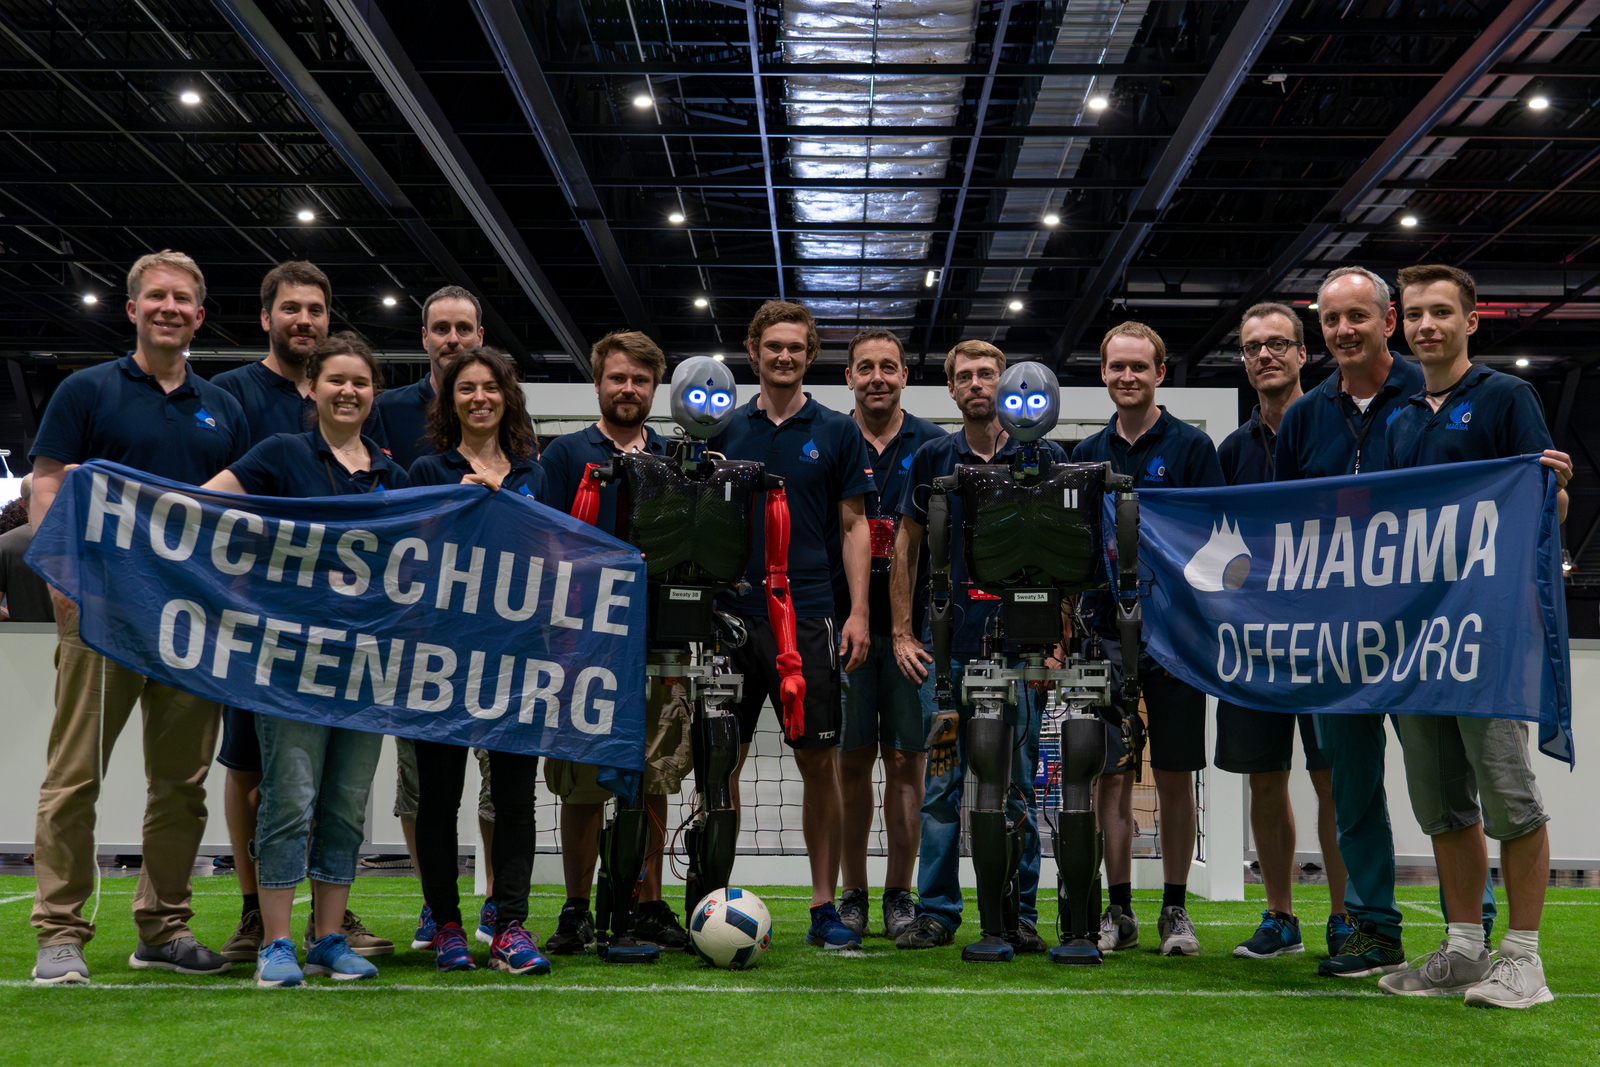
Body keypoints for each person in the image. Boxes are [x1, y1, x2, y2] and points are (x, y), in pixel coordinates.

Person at [28, 249, 248, 985]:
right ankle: (60, 931)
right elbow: (48, 483)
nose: (170, 308)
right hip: (101, 613)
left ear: (199, 315)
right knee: (74, 776)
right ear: (132, 309)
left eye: (183, 299)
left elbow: (240, 513)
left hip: (189, 620)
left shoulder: (222, 407)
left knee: (181, 784)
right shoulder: (86, 391)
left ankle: (163, 925)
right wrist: (63, 578)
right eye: (157, 297)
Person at [1272, 264, 1487, 979]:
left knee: (1446, 781)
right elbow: (1284, 523)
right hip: (1339, 636)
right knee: (1352, 783)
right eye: (1330, 320)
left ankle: (1472, 929)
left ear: (1387, 321)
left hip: (1425, 629)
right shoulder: (1304, 416)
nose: (1342, 331)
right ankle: (1371, 927)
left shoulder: (1426, 394)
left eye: (1357, 317)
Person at [1376, 264, 1572, 1008]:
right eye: (1416, 314)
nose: (1426, 326)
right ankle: (1464, 948)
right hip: (1419, 643)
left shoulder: (1505, 396)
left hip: (1486, 637)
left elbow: (1544, 497)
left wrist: (1554, 486)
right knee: (1442, 802)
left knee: (1509, 797)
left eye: (1440, 313)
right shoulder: (1399, 416)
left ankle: (1524, 959)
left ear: (1470, 319)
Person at [200, 332, 404, 988]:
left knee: (345, 804)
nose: (349, 391)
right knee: (289, 797)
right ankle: (277, 944)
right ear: (310, 387)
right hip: (287, 665)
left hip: (365, 666)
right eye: (336, 379)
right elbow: (205, 502)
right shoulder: (280, 454)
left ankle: (329, 940)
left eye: (361, 382)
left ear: (373, 394)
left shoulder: (389, 474)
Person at [889, 340, 1064, 953]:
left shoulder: (1044, 456)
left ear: (1006, 381)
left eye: (987, 374)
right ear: (951, 390)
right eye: (964, 376)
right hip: (945, 655)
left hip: (1018, 655)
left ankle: (1018, 912)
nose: (977, 384)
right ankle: (937, 911)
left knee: (1016, 784)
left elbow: (1064, 556)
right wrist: (902, 632)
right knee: (940, 788)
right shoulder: (932, 458)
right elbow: (904, 548)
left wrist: (1056, 640)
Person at [711, 300, 874, 950]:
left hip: (807, 621)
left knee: (820, 764)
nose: (783, 356)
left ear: (810, 356)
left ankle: (823, 904)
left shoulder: (836, 430)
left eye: (795, 348)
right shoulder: (721, 428)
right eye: (772, 346)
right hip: (729, 621)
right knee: (720, 763)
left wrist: (859, 611)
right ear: (753, 352)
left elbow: (856, 525)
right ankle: (712, 896)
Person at [536, 331, 693, 955]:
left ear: (655, 390)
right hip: (583, 649)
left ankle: (647, 901)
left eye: (641, 381)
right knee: (582, 785)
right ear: (598, 383)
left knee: (653, 777)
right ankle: (577, 907)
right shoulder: (564, 455)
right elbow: (546, 546)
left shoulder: (680, 457)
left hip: (660, 645)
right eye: (618, 378)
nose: (629, 389)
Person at [1071, 321, 1224, 958]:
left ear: (1160, 372)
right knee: (1108, 776)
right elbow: (1076, 555)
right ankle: (1120, 910)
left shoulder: (1191, 448)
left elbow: (1217, 542)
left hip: (1176, 640)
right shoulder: (1085, 452)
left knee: (1174, 774)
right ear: (1103, 374)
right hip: (1102, 637)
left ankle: (1175, 910)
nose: (1127, 377)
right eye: (1116, 367)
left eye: (1139, 366)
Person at [404, 345, 555, 976]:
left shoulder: (531, 473)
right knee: (439, 798)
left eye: (489, 387)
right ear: (451, 400)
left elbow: (548, 552)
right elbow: (408, 558)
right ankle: (445, 926)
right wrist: (455, 510)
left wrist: (506, 505)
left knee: (515, 799)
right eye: (466, 389)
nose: (479, 398)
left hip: (516, 658)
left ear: (506, 396)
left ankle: (510, 924)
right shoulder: (426, 470)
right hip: (442, 656)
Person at [1214, 303, 1349, 960]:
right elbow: (1217, 548)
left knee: (1335, 777)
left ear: (1303, 354)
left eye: (1277, 345)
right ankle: (1280, 916)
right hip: (1255, 644)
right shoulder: (1231, 452)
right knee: (1264, 778)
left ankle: (1348, 917)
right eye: (1252, 347)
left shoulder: (1339, 434)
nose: (1264, 355)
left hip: (1328, 640)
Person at [375, 284, 485, 913]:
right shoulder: (387, 410)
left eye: (463, 328)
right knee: (421, 781)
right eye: (440, 328)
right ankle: (432, 904)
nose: (451, 339)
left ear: (479, 337)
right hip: (417, 628)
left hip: (495, 626)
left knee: (499, 783)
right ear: (424, 339)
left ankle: (495, 900)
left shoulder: (505, 421)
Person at [835, 329, 944, 940]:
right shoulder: (831, 437)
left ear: (905, 376)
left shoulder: (932, 444)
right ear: (849, 377)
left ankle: (900, 895)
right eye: (865, 368)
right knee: (851, 764)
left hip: (916, 635)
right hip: (847, 629)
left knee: (908, 762)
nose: (877, 377)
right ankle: (853, 894)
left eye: (889, 367)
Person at [0, 475, 55, 623]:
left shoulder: (4, 545)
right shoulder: (83, 543)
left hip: (22, 640)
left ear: (22, 503)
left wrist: (12, 619)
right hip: (72, 641)